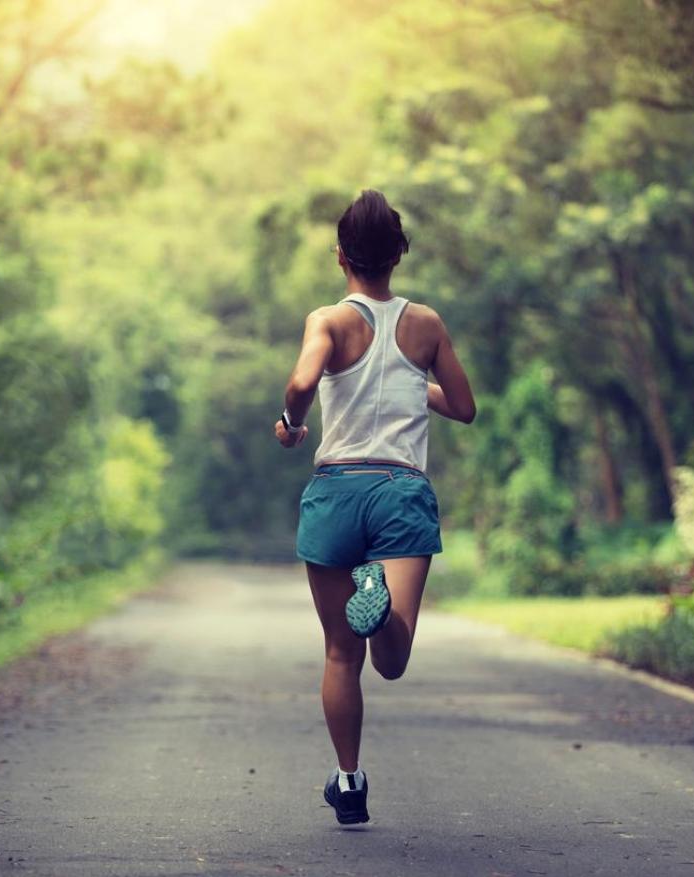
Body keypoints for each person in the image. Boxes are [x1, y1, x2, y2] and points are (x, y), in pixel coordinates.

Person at [274, 189, 476, 826]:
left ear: (341, 258)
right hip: (400, 491)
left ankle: (349, 781)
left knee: (340, 653)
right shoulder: (427, 324)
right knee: (391, 660)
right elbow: (465, 407)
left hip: (336, 490)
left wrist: (290, 422)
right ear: (401, 253)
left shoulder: (328, 322)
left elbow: (304, 382)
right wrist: (418, 382)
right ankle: (381, 606)